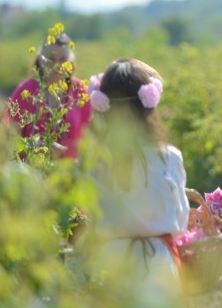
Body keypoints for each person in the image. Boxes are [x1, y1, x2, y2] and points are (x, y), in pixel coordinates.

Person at [86, 58, 190, 306]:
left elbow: (88, 215)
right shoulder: (168, 158)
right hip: (159, 267)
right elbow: (181, 222)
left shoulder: (95, 160)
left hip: (110, 265)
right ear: (148, 107)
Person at [4, 32, 92, 160]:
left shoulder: (80, 91)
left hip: (70, 172)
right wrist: (35, 147)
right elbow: (8, 137)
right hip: (31, 173)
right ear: (40, 59)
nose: (56, 64)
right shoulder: (26, 90)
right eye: (51, 58)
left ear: (70, 63)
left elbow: (90, 137)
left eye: (63, 60)